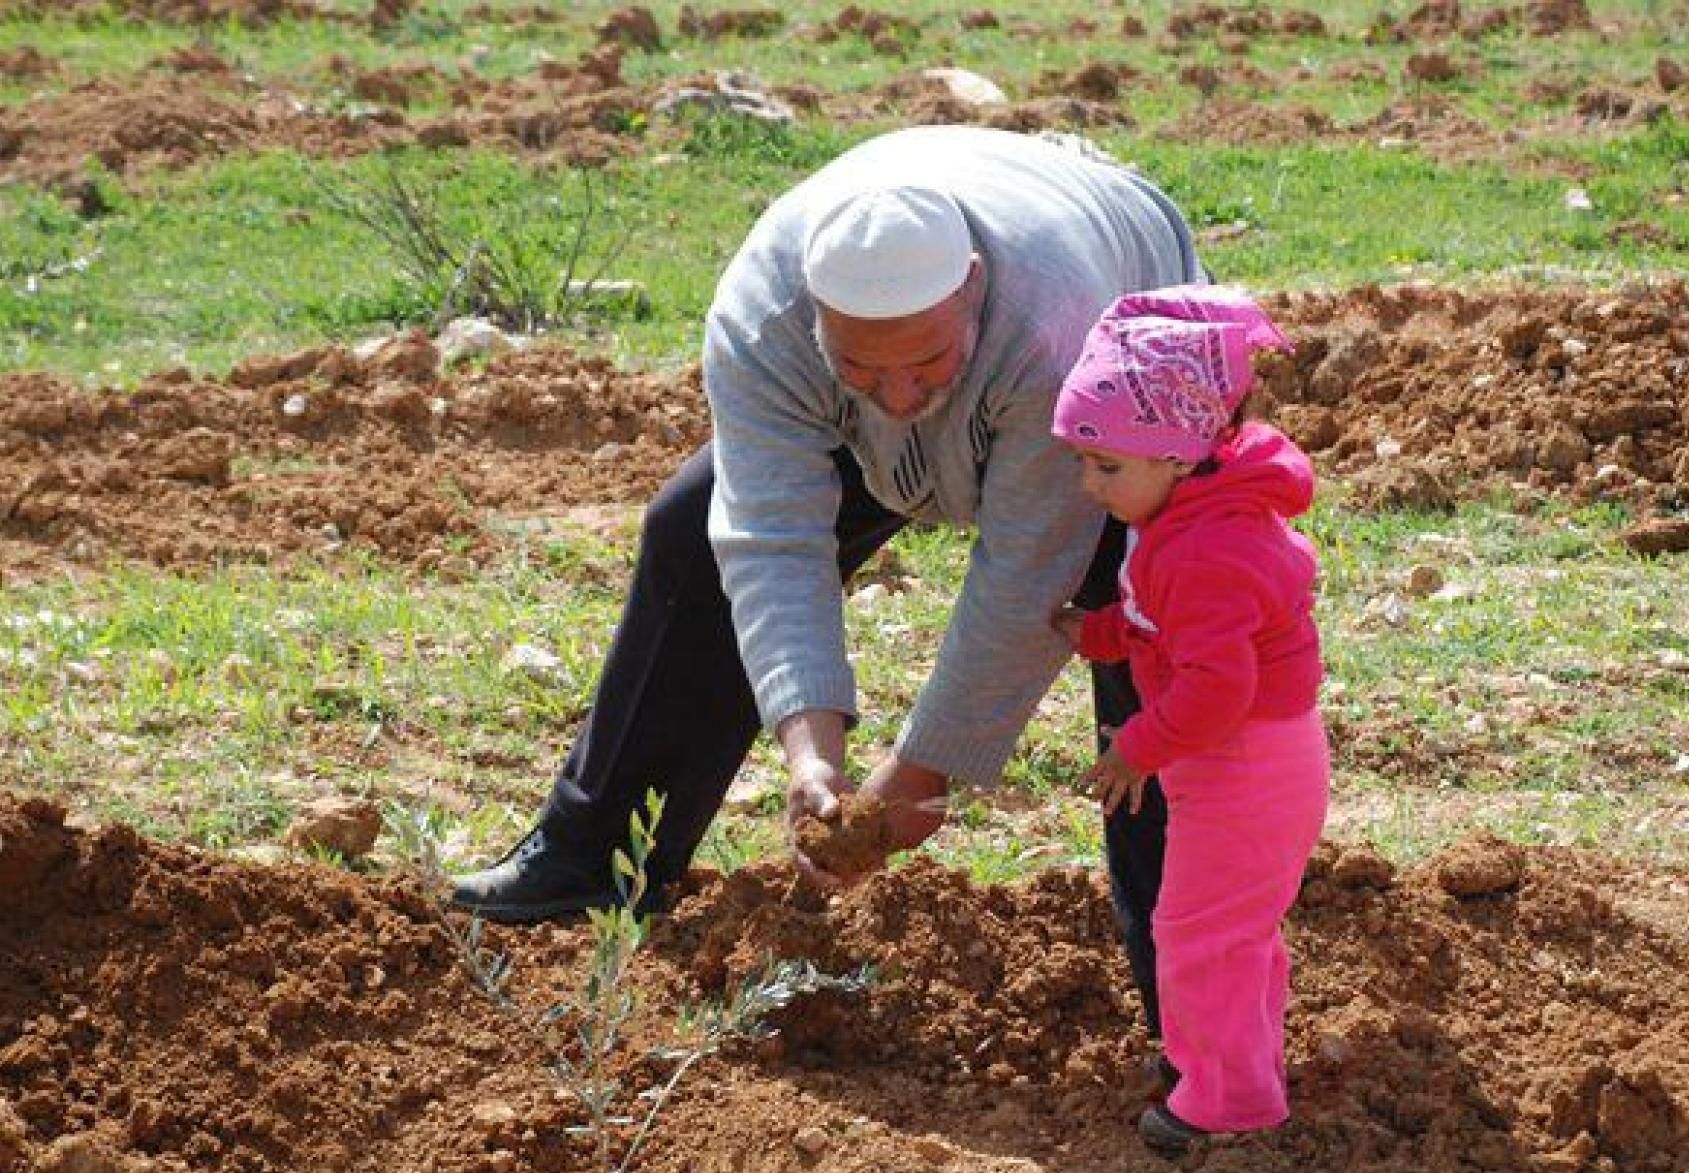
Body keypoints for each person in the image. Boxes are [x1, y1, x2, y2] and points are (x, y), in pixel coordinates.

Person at [449, 124, 1200, 1042]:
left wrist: (917, 777)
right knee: (693, 532)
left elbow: (1027, 574)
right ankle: (590, 861)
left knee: (1147, 586)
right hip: (949, 334)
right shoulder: (761, 317)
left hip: (1104, 358)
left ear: (970, 288)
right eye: (859, 367)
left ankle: (1192, 986)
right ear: (813, 316)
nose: (893, 397)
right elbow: (769, 533)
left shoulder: (1057, 327)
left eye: (923, 365)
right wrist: (812, 754)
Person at [1047, 284, 1328, 1154]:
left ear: (1175, 455)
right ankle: (1240, 1073)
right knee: (1233, 932)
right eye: (1084, 463)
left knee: (1198, 933)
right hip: (1250, 765)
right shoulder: (1190, 519)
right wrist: (1096, 632)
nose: (1088, 486)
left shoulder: (1205, 550)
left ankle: (1226, 1102)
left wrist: (1136, 745)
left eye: (1107, 467)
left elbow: (1215, 689)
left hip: (1243, 769)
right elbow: (1157, 623)